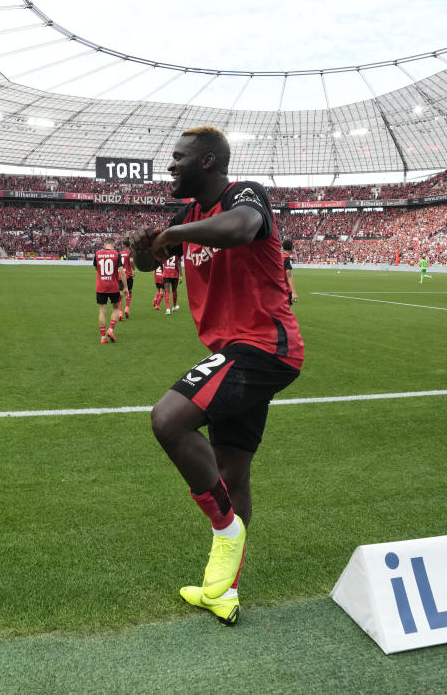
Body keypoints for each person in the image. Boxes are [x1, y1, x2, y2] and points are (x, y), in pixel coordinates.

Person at [131, 126, 304, 627]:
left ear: (207, 162)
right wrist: (149, 246)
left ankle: (226, 531)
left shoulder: (245, 195)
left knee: (168, 420)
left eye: (178, 158)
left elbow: (241, 229)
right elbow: (148, 264)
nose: (170, 165)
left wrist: (172, 234)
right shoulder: (187, 214)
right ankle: (222, 590)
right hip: (237, 348)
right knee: (233, 473)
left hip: (263, 346)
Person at [94, 236, 124, 343]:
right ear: (114, 244)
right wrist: (125, 287)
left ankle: (103, 337)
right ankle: (110, 330)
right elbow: (121, 271)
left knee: (102, 311)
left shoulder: (97, 254)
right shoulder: (117, 254)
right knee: (116, 309)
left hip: (101, 286)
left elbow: (96, 268)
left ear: (104, 245)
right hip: (114, 286)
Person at [119, 237, 134, 319]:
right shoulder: (130, 253)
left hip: (120, 276)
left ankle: (120, 313)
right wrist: (133, 269)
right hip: (128, 275)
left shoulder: (119, 253)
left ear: (123, 245)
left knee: (120, 295)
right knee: (129, 292)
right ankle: (127, 308)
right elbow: (131, 261)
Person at [282, 239, 299, 305]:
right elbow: (289, 275)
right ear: (292, 248)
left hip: (276, 289)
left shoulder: (278, 257)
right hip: (285, 289)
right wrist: (294, 292)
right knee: (287, 312)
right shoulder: (286, 259)